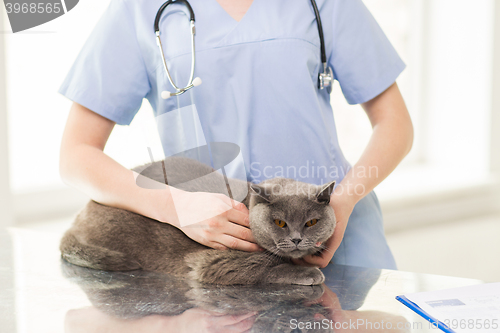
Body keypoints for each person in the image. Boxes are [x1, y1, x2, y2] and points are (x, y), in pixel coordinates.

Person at [59, 0, 413, 270]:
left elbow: (395, 124)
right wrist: (177, 207)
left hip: (332, 235)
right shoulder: (138, 9)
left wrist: (343, 201)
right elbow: (76, 155)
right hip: (219, 252)